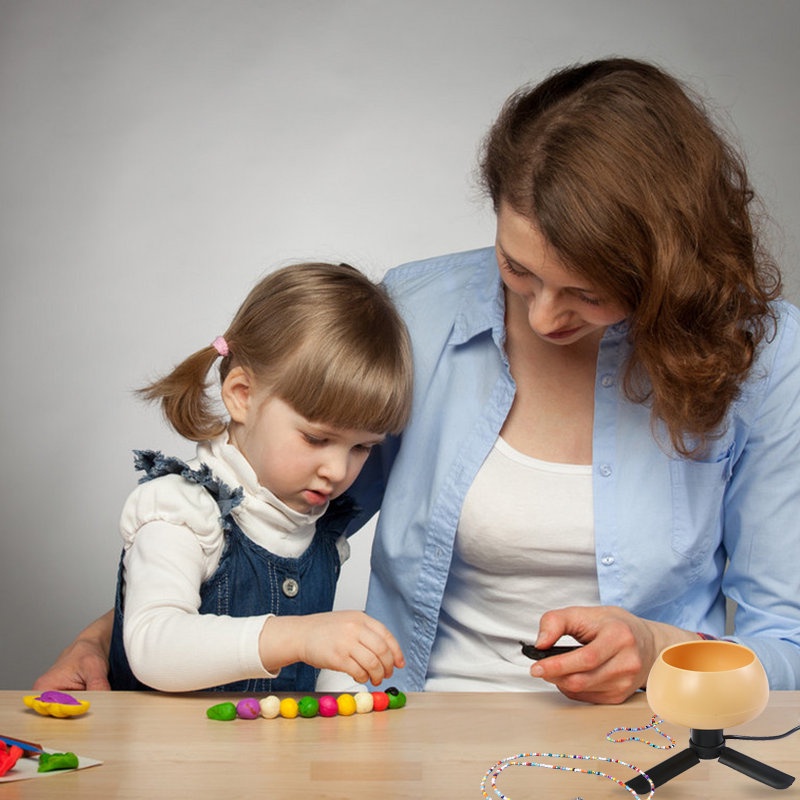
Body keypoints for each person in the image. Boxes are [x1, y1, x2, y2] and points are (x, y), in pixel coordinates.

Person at [35, 58, 800, 703]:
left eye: (590, 293)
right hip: (407, 733)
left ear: (666, 269)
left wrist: (657, 649)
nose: (542, 317)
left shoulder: (763, 357)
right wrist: (115, 637)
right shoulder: (421, 313)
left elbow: (786, 646)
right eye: (518, 269)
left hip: (640, 743)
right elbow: (274, 519)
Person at [103, 262, 413, 692]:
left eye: (362, 447)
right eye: (316, 437)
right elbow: (153, 647)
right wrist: (300, 636)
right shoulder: (182, 509)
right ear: (242, 396)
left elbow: (302, 679)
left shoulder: (321, 535)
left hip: (271, 760)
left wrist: (345, 687)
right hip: (167, 757)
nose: (338, 471)